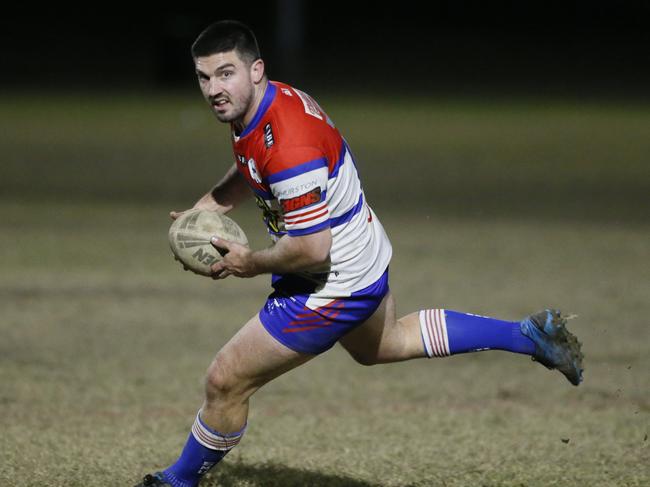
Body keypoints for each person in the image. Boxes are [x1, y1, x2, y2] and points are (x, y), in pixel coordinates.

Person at [135, 20, 584, 487]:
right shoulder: (267, 103)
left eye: (225, 74)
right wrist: (209, 205)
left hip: (330, 280)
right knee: (387, 344)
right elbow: (254, 161)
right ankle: (529, 337)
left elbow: (311, 248)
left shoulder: (289, 143)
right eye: (204, 78)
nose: (214, 90)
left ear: (256, 70)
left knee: (226, 380)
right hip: (362, 252)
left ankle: (177, 482)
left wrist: (249, 263)